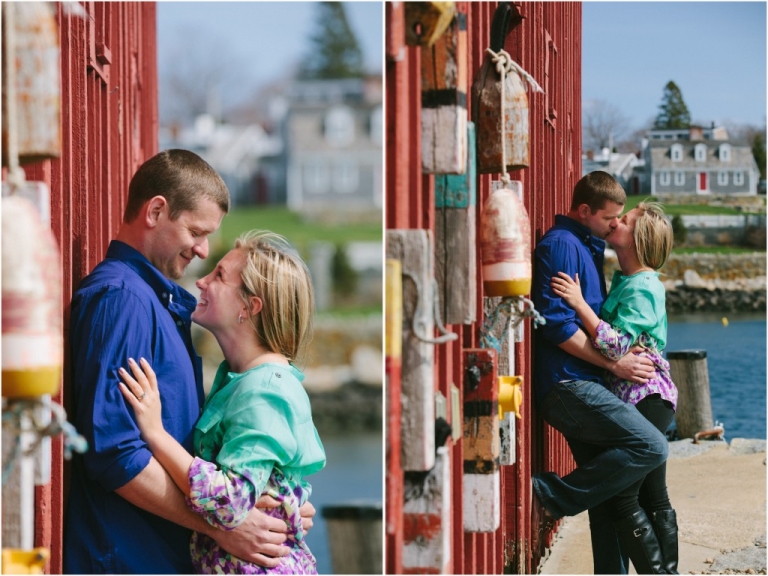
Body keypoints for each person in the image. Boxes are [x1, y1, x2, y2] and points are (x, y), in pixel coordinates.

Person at [64, 150, 313, 574]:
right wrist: (223, 527)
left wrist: (280, 505)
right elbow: (117, 455)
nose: (201, 251)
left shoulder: (156, 304)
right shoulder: (123, 300)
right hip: (128, 558)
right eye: (196, 232)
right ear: (156, 211)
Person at [118, 230, 326, 574]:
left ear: (250, 306)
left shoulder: (265, 391)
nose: (201, 281)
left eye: (219, 276)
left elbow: (231, 501)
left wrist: (155, 433)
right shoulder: (242, 380)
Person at [530, 171, 670, 575]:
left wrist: (620, 357)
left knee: (612, 501)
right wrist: (613, 363)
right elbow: (555, 326)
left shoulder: (591, 247)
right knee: (652, 447)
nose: (616, 224)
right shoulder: (561, 246)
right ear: (587, 211)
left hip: (589, 384)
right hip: (568, 386)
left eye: (622, 219)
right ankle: (549, 495)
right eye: (613, 218)